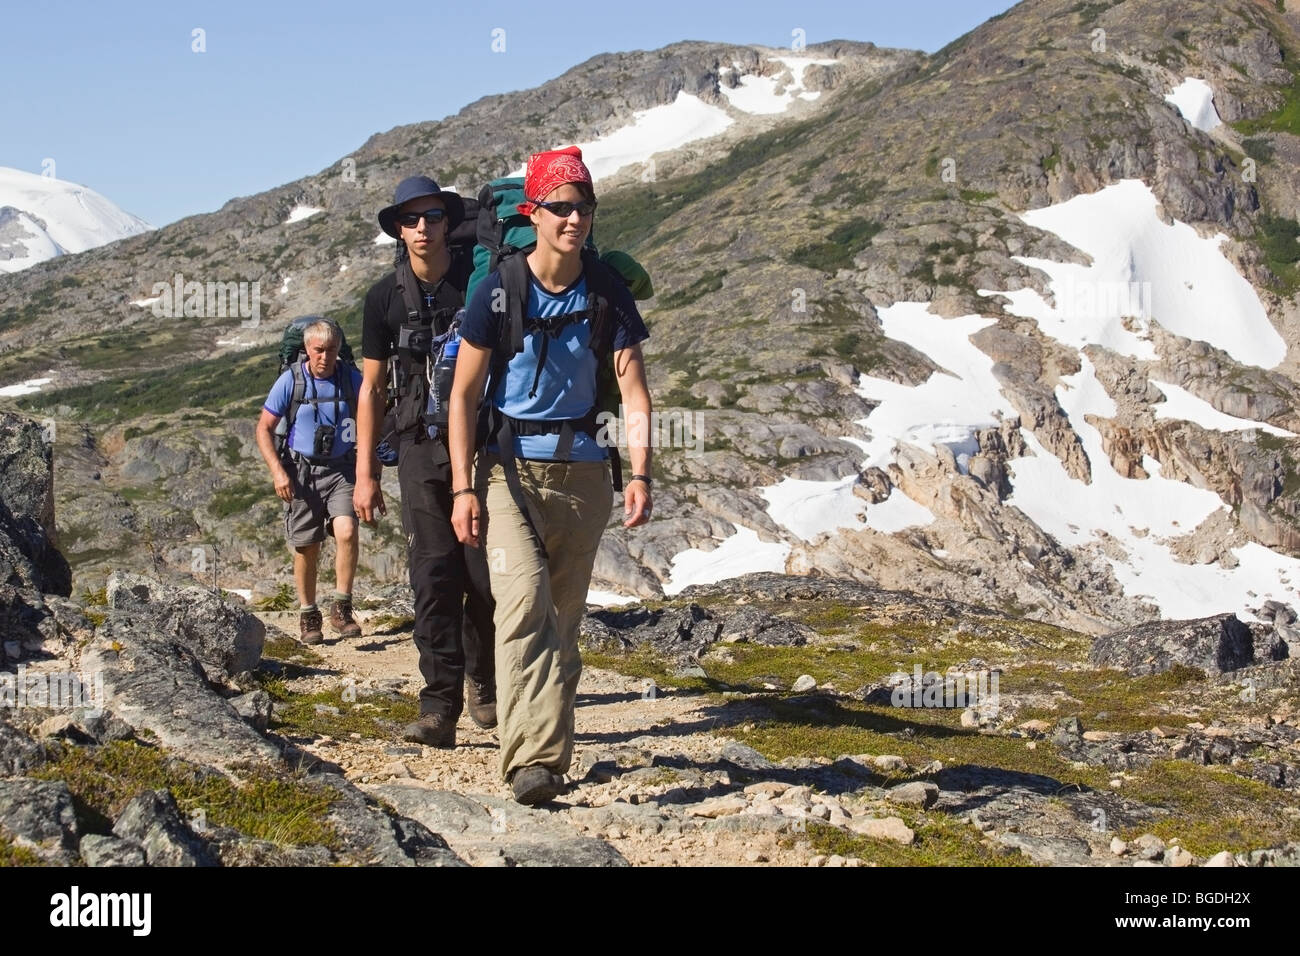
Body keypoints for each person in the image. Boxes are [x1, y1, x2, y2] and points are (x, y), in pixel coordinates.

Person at [448, 146, 653, 805]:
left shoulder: (606, 291)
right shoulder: (499, 289)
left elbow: (636, 391)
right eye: (562, 207)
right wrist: (461, 487)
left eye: (585, 207)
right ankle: (528, 762)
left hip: (586, 474)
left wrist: (641, 472)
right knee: (524, 602)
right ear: (534, 212)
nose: (576, 219)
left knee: (563, 620)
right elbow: (462, 394)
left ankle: (549, 756)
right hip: (508, 470)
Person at [354, 175, 496, 747]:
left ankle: (485, 682)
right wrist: (365, 473)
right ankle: (439, 706)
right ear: (398, 229)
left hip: (484, 442)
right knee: (433, 574)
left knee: (484, 574)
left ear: (447, 223)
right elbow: (369, 390)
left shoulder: (481, 283)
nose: (422, 228)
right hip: (416, 445)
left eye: (432, 217)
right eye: (410, 220)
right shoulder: (382, 298)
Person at [255, 319, 365, 644]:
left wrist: (370, 465)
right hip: (301, 471)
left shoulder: (350, 378)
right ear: (306, 349)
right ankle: (308, 614)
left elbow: (372, 410)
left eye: (331, 350)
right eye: (318, 350)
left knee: (347, 530)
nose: (324, 357)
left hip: (343, 468)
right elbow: (263, 428)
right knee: (307, 547)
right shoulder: (290, 382)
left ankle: (342, 608)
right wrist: (278, 471)